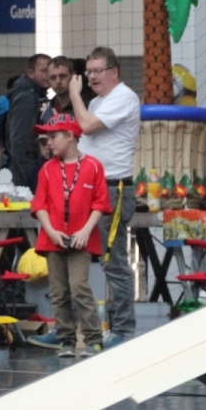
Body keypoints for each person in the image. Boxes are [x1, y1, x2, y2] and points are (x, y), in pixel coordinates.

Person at [71, 46, 140, 347]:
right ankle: (71, 328)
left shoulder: (124, 97)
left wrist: (74, 94)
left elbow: (87, 127)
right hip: (88, 187)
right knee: (74, 257)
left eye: (98, 71)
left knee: (113, 261)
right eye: (89, 72)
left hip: (113, 189)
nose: (92, 77)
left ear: (114, 72)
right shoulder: (97, 102)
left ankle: (123, 329)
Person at [30, 113, 110, 358]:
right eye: (46, 138)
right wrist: (51, 232)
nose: (49, 143)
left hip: (81, 239)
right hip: (53, 238)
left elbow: (100, 204)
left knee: (79, 286)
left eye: (53, 137)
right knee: (58, 291)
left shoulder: (93, 166)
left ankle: (93, 338)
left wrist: (85, 230)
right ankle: (65, 339)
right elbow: (40, 205)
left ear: (69, 136)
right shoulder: (47, 169)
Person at [6, 54, 51, 191]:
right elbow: (20, 141)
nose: (48, 75)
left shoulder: (37, 96)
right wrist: (30, 176)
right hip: (24, 175)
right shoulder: (27, 98)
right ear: (31, 73)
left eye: (50, 71)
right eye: (44, 71)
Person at [39, 56, 75, 125]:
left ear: (72, 76)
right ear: (48, 79)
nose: (58, 81)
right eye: (53, 77)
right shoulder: (44, 108)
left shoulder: (85, 106)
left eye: (62, 76)